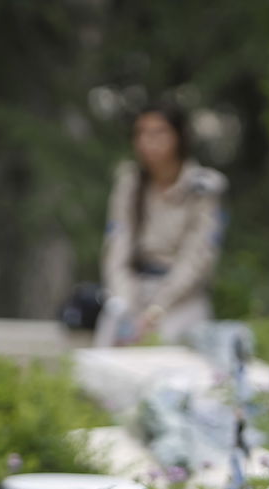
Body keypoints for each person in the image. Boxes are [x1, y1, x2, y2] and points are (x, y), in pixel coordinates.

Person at [93, 103, 227, 347]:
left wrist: (155, 311)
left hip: (181, 297)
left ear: (179, 136)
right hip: (134, 289)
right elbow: (117, 247)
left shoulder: (203, 187)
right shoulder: (130, 183)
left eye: (159, 133)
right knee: (108, 343)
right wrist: (124, 301)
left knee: (167, 346)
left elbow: (198, 258)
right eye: (142, 133)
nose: (148, 141)